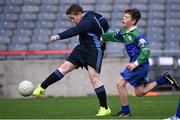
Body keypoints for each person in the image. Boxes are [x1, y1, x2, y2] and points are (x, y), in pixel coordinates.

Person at [32, 4, 111, 116]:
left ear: (80, 14)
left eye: (73, 18)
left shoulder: (87, 21)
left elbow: (76, 30)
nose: (73, 21)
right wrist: (106, 33)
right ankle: (42, 87)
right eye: (71, 19)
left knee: (94, 78)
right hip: (82, 47)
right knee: (64, 67)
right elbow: (103, 21)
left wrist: (58, 36)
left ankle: (105, 108)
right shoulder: (90, 14)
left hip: (94, 49)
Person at [101, 8, 179, 117]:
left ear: (133, 21)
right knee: (139, 92)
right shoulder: (124, 31)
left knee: (120, 83)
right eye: (124, 16)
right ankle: (164, 79)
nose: (123, 18)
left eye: (127, 17)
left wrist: (136, 63)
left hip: (139, 64)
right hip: (138, 64)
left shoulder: (137, 34)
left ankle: (125, 111)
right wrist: (102, 37)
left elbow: (146, 50)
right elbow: (115, 36)